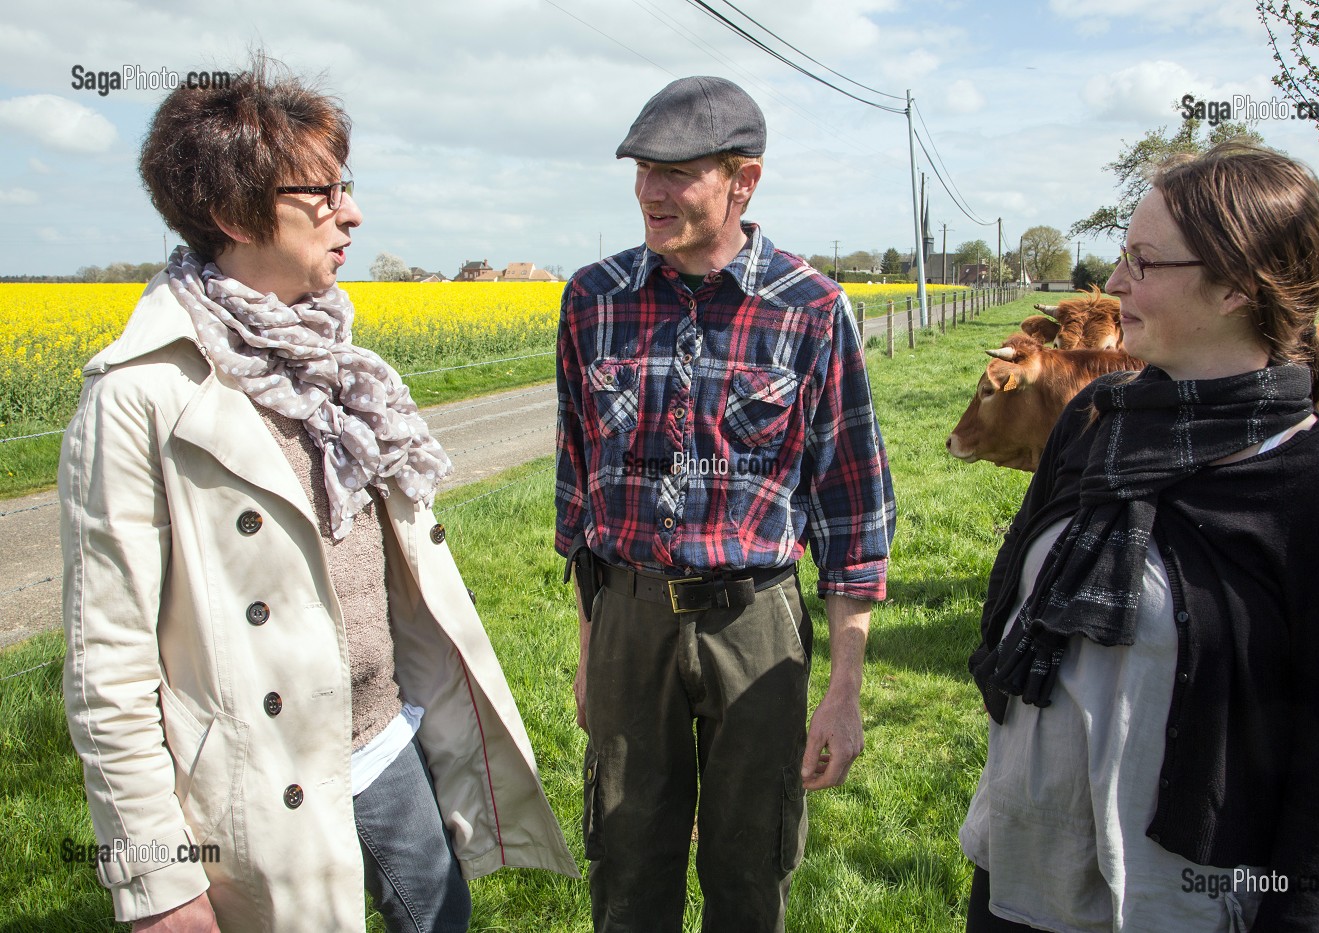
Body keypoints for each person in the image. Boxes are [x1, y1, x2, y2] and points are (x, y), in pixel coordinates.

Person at [59, 61, 575, 933]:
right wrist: (156, 881)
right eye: (323, 192)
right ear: (231, 213)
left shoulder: (343, 365)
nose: (354, 212)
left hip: (384, 740)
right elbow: (104, 665)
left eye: (349, 185)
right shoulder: (139, 394)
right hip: (264, 781)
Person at [960, 142, 1319, 932]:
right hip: (1026, 875)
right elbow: (1008, 620)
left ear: (1237, 285)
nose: (1116, 281)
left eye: (1144, 261)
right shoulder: (1094, 426)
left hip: (1185, 902)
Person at [554, 75, 896, 931]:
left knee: (752, 866)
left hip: (758, 622)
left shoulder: (812, 309)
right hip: (629, 618)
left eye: (676, 173)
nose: (649, 191)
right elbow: (577, 490)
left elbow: (853, 511)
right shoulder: (593, 300)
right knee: (626, 865)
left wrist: (844, 689)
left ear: (744, 180)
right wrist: (593, 643)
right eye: (641, 170)